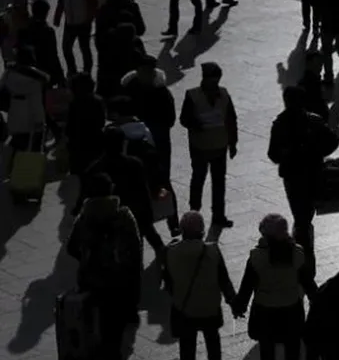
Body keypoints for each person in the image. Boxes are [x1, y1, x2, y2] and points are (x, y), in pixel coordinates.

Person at [66, 173, 142, 360]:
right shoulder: (123, 216)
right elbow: (135, 254)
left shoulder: (84, 217)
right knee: (113, 330)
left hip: (90, 281)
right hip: (118, 283)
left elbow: (71, 247)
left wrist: (87, 260)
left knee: (89, 322)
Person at [233, 214, 317, 360]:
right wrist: (316, 300)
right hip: (291, 307)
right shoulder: (297, 253)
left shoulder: (257, 256)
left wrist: (239, 306)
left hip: (265, 309)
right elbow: (307, 281)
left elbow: (247, 285)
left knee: (267, 348)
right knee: (293, 345)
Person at [164, 212, 236, 360]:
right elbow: (224, 280)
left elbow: (168, 283)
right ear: (202, 231)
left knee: (187, 347)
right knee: (212, 338)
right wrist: (234, 302)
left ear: (182, 230)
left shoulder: (171, 251)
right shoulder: (212, 251)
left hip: (184, 308)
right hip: (209, 306)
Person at [267, 85, 339, 276]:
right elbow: (332, 141)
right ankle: (305, 254)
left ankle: (302, 254)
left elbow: (273, 154)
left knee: (301, 216)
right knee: (305, 216)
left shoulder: (280, 124)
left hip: (293, 177)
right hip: (313, 174)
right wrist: (317, 153)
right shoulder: (314, 120)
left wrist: (287, 154)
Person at [82, 126, 165, 257]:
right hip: (135, 214)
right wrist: (148, 214)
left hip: (107, 220)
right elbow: (143, 192)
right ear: (122, 144)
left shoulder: (95, 169)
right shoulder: (135, 164)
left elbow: (86, 198)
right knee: (147, 240)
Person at [121, 55, 178, 235]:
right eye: (143, 71)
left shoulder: (162, 92)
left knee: (163, 180)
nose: (146, 74)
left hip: (158, 143)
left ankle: (173, 221)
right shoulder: (129, 88)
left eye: (149, 71)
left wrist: (151, 128)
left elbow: (170, 119)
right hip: (133, 142)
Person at [180, 62, 238, 229]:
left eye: (217, 80)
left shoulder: (224, 94)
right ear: (204, 79)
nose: (214, 83)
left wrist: (233, 143)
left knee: (219, 183)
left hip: (219, 146)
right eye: (212, 79)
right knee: (198, 179)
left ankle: (218, 216)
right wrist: (197, 125)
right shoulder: (192, 95)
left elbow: (231, 119)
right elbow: (184, 119)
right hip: (200, 146)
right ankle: (194, 215)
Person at [1, 47, 49, 177]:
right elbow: (36, 104)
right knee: (30, 147)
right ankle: (24, 174)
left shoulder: (9, 74)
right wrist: (40, 121)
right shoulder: (35, 81)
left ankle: (10, 167)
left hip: (14, 110)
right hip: (29, 116)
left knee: (17, 140)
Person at [65, 72, 105, 180]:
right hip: (95, 141)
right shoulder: (98, 101)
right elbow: (101, 122)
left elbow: (69, 125)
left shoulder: (74, 104)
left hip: (77, 142)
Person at [20, 0, 65, 88]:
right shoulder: (48, 31)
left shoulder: (24, 29)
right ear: (46, 13)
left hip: (27, 72)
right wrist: (60, 76)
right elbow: (53, 55)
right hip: (44, 72)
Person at [54, 0, 97, 76]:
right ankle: (72, 70)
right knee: (66, 48)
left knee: (84, 48)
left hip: (83, 24)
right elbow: (61, 2)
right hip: (69, 24)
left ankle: (87, 72)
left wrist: (89, 19)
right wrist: (57, 17)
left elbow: (93, 4)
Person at [0, 0, 31, 65]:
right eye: (25, 5)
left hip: (23, 54)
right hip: (12, 55)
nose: (26, 8)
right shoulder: (6, 18)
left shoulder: (27, 18)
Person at [298, 50, 328, 119]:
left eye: (321, 64)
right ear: (308, 64)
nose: (320, 66)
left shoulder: (314, 79)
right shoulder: (309, 82)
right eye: (317, 63)